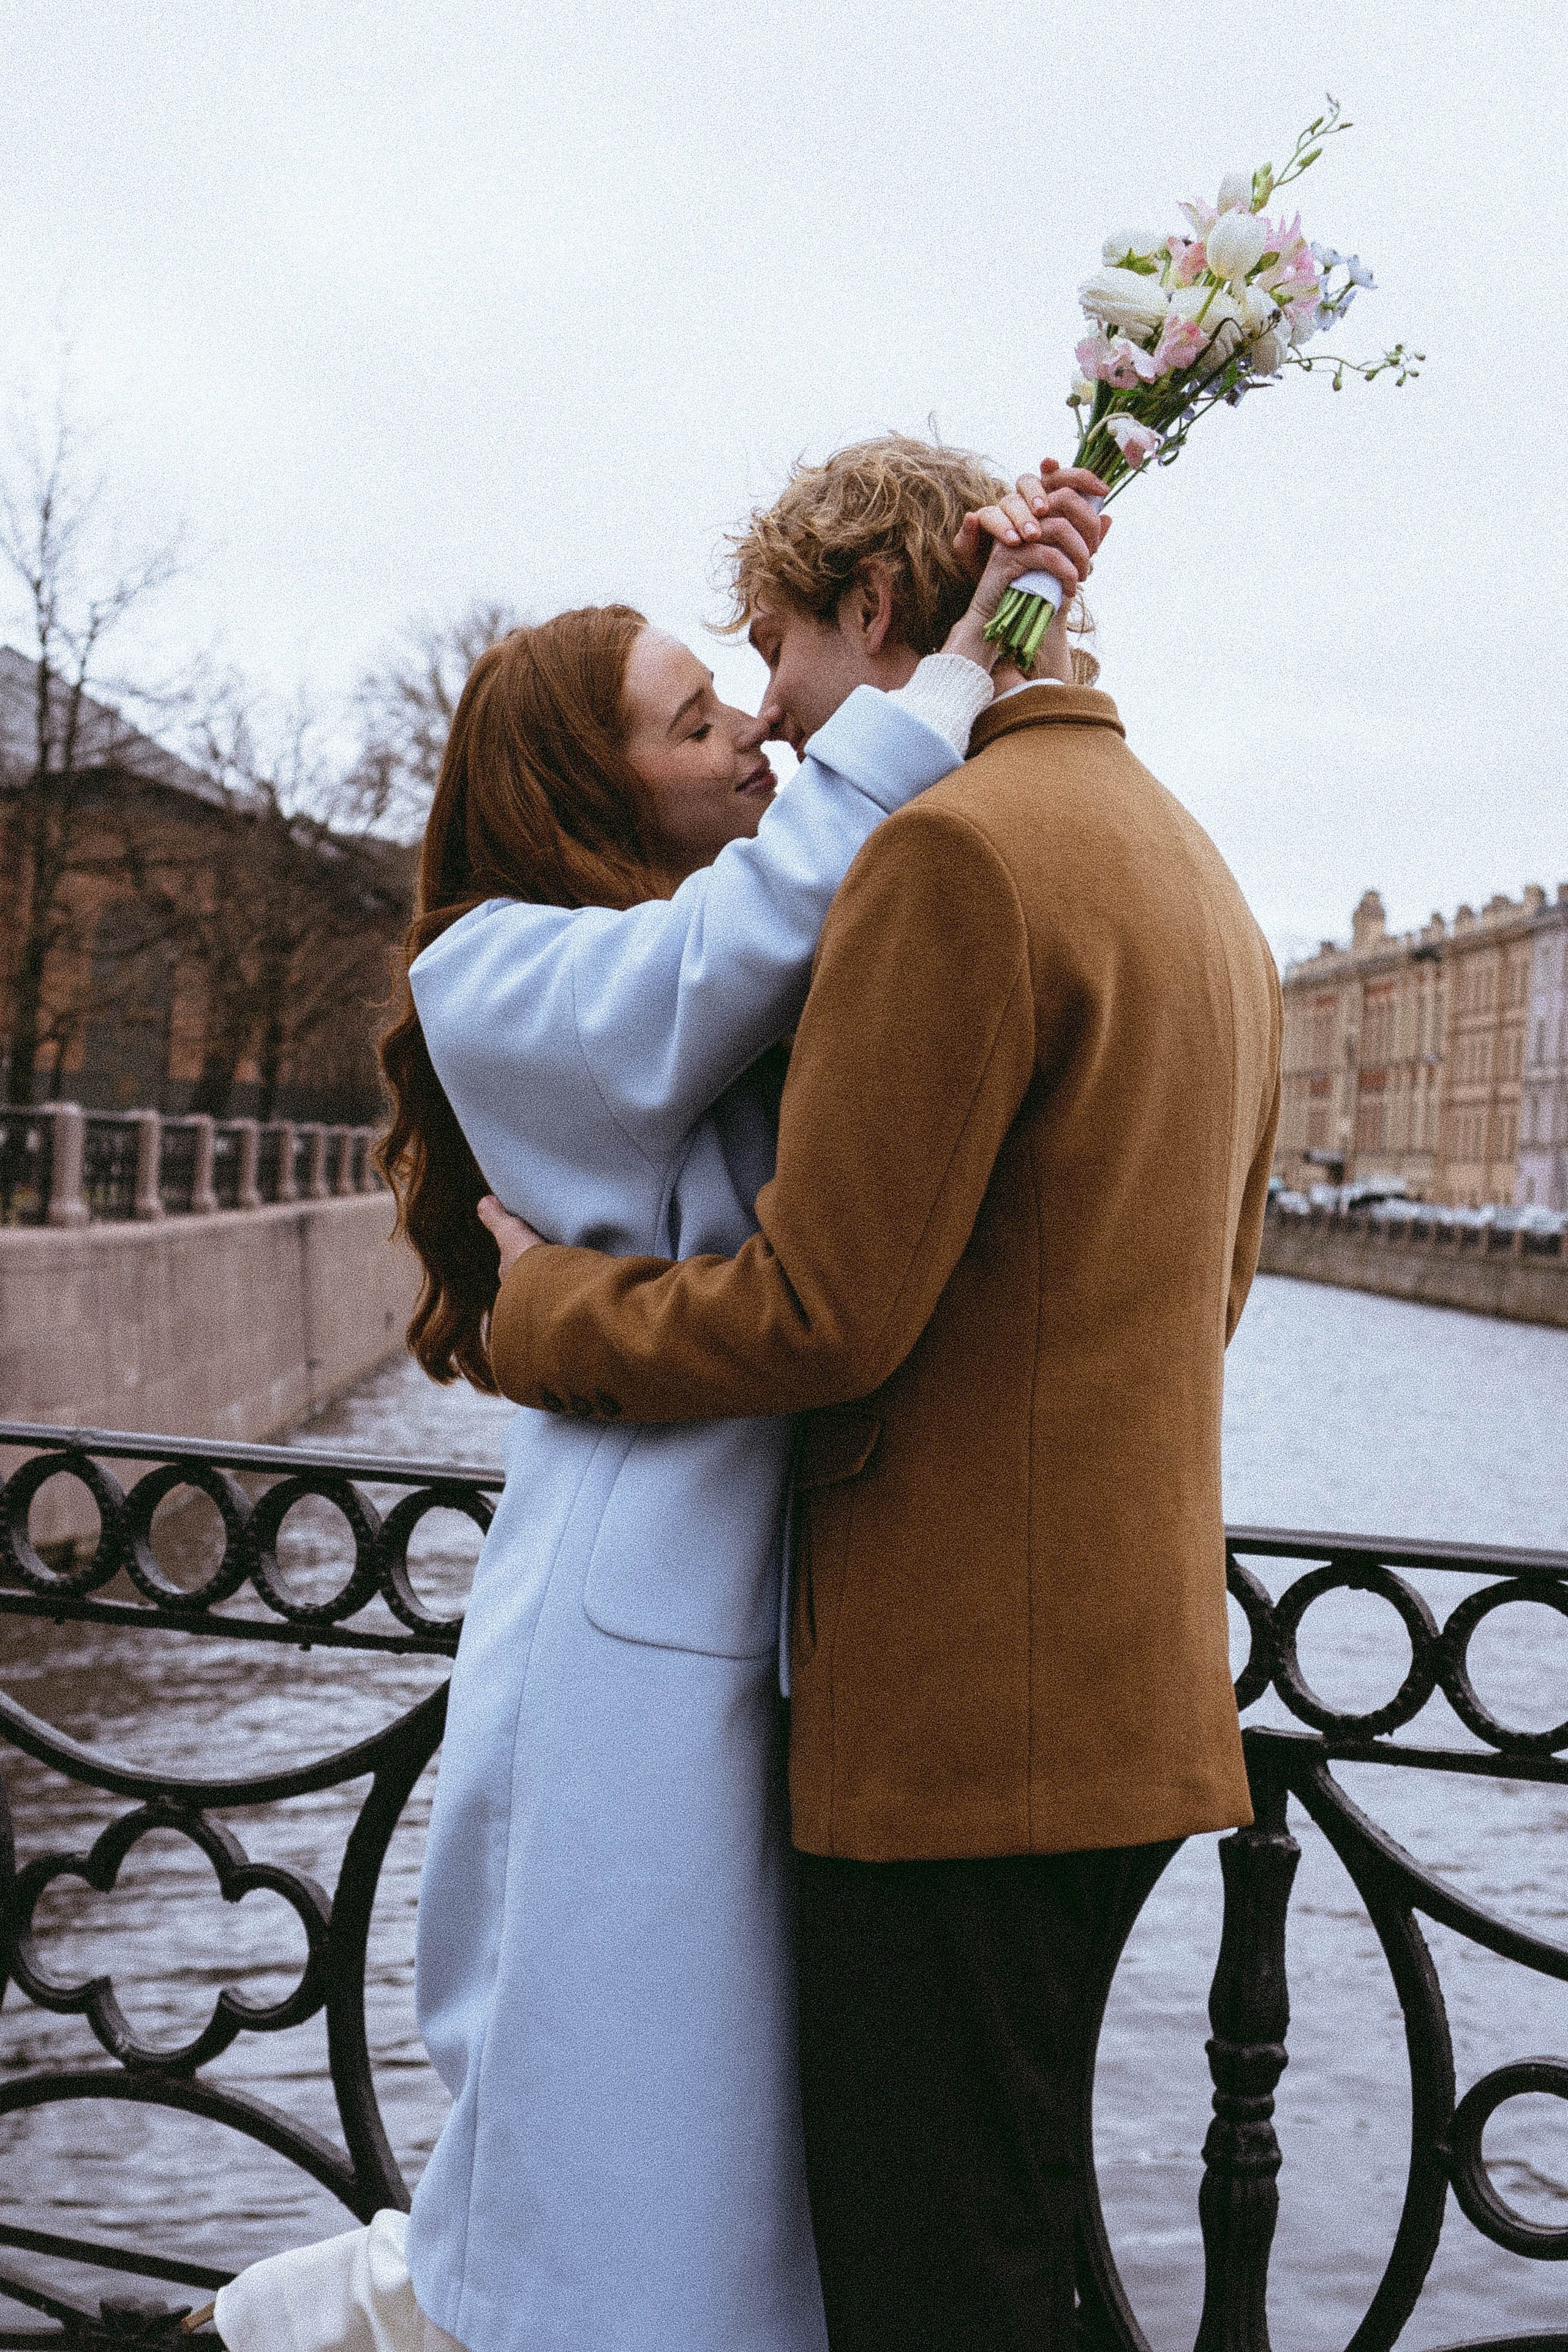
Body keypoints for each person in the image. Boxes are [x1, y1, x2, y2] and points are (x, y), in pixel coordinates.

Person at [203, 442, 1107, 2352]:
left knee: (688, 2135)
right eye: (696, 722)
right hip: (634, 1627)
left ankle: (376, 2304)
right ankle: (343, 2314)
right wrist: (953, 669)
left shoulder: (726, 942)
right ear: (585, 787)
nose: (753, 735)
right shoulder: (500, 969)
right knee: (619, 2117)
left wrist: (1014, 602)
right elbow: (732, 943)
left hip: (752, 1605)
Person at [477, 436, 1283, 2352]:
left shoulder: (948, 855)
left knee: (933, 2285)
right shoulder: (1194, 868)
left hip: (953, 1733)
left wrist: (545, 1308)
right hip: (1130, 1707)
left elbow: (818, 1315)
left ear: (870, 609)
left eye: (772, 646)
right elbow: (1220, 1293)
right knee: (1016, 2242)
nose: (766, 709)